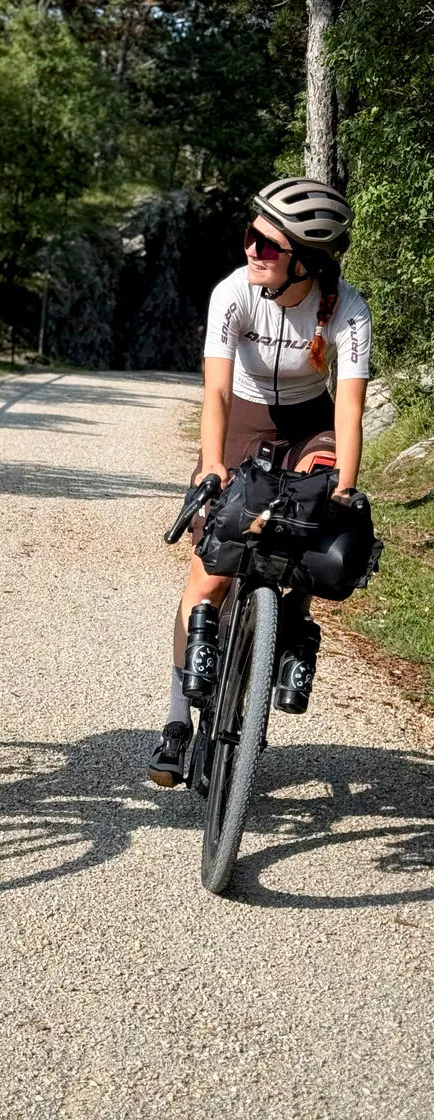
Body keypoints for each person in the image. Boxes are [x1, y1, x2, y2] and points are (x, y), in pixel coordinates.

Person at [148, 177, 371, 787]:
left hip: (310, 426)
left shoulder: (348, 311)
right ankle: (175, 722)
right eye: (251, 237)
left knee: (310, 516)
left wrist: (344, 488)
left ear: (305, 261)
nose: (252, 251)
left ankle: (286, 630)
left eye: (267, 245)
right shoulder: (233, 293)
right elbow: (215, 391)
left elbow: (347, 411)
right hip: (243, 416)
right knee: (210, 568)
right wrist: (212, 463)